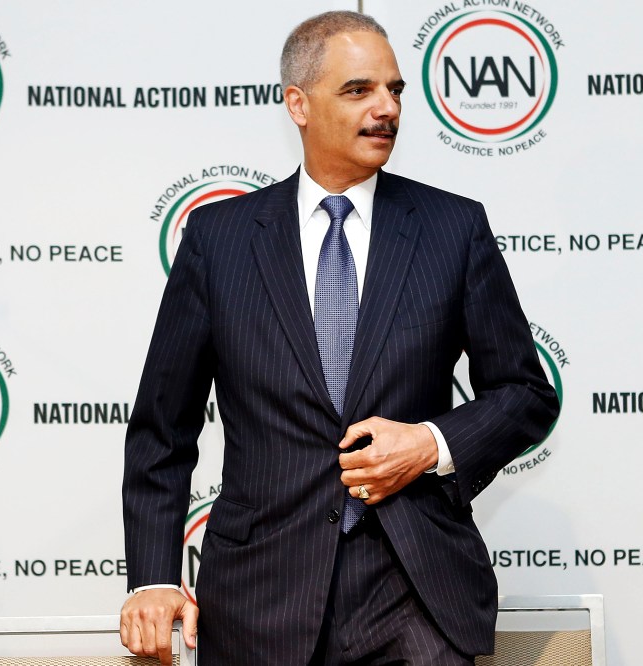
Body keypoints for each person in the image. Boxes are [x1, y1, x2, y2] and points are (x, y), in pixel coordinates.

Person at [120, 10, 559, 665]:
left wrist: (430, 443)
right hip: (258, 601)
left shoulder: (453, 229)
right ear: (298, 104)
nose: (387, 108)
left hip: (416, 595)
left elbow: (526, 393)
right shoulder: (220, 240)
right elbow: (163, 427)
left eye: (394, 90)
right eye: (359, 90)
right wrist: (153, 577)